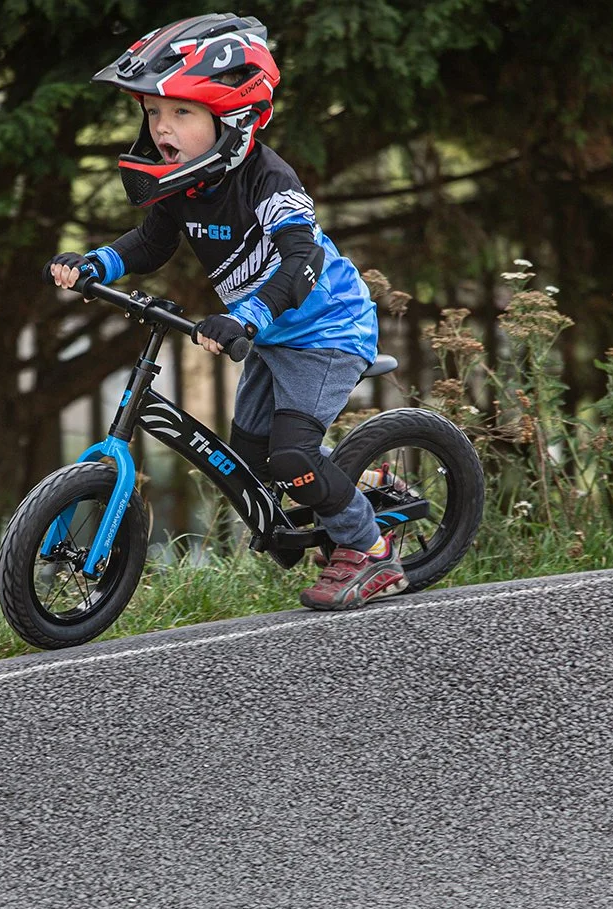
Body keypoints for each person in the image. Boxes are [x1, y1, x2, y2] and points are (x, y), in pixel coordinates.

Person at [44, 12, 404, 611]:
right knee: (254, 456)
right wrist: (95, 265)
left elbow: (301, 263)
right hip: (270, 334)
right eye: (154, 113)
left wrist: (245, 319)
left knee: (291, 452)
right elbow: (151, 243)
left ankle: (370, 548)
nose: (162, 127)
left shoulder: (270, 181)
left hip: (327, 330)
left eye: (181, 112)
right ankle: (364, 486)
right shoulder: (186, 184)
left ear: (232, 117)